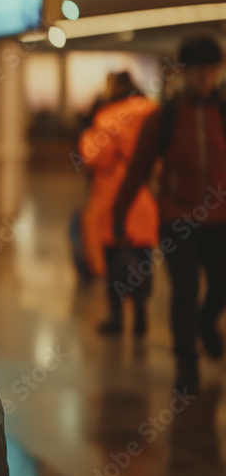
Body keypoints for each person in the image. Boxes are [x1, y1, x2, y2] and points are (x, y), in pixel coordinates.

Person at [113, 35, 226, 392]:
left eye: (211, 72)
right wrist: (119, 214)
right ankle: (186, 363)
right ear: (184, 73)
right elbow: (137, 170)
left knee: (221, 287)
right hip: (177, 220)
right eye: (197, 73)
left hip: (220, 220)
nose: (205, 80)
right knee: (185, 291)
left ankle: (207, 324)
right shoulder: (164, 118)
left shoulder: (223, 113)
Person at [78, 71, 159, 336]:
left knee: (115, 258)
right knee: (143, 258)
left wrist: (86, 135)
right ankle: (141, 313)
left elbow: (95, 156)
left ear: (115, 87)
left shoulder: (108, 117)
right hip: (146, 195)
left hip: (114, 194)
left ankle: (116, 317)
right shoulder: (152, 111)